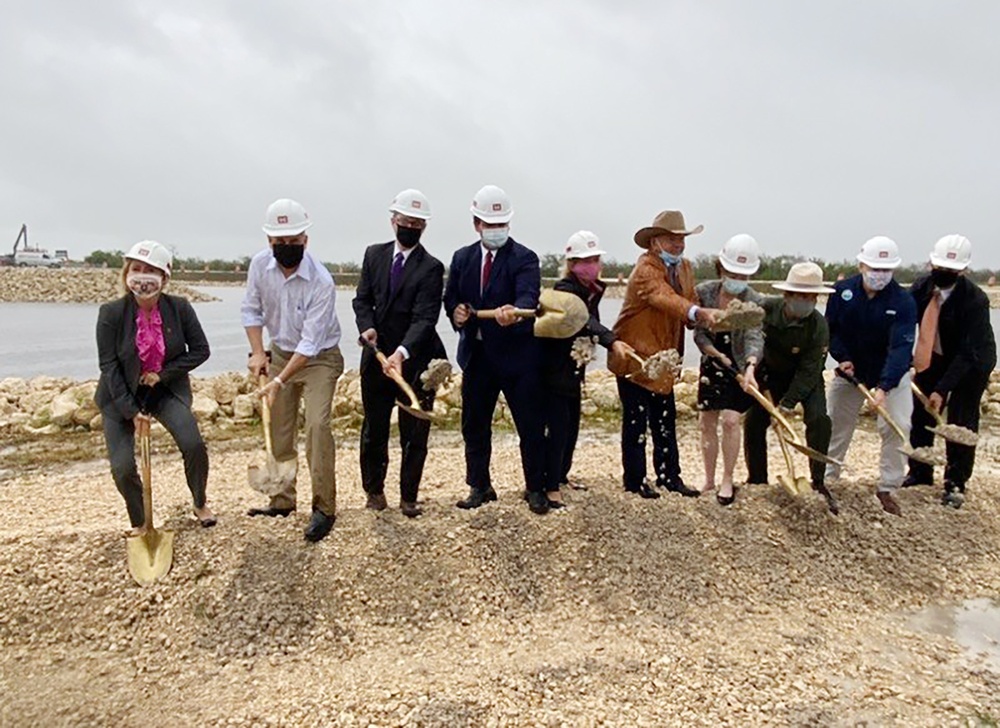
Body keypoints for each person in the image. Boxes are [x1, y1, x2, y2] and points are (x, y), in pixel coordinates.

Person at [241, 198, 344, 542]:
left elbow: (311, 343)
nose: (286, 248)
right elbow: (251, 311)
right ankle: (282, 500)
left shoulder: (322, 281)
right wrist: (258, 353)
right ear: (269, 242)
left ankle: (324, 508)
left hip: (320, 358)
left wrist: (279, 380)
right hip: (281, 353)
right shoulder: (258, 266)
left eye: (293, 242)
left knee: (317, 425)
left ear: (305, 240)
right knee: (280, 429)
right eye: (278, 243)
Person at [443, 185, 549, 515]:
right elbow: (452, 300)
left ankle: (535, 488)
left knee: (530, 425)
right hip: (478, 357)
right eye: (490, 224)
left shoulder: (525, 258)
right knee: (474, 425)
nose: (496, 230)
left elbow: (528, 297)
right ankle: (479, 485)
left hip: (518, 356)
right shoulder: (463, 258)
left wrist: (514, 312)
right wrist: (458, 314)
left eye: (501, 224)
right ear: (477, 224)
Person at [95, 240, 215, 531]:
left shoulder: (180, 308)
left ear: (164, 277)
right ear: (126, 274)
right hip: (118, 396)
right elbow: (108, 365)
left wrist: (163, 373)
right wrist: (131, 410)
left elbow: (200, 350)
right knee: (122, 468)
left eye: (151, 270)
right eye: (136, 269)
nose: (142, 276)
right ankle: (140, 522)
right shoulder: (111, 313)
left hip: (164, 392)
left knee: (194, 444)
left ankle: (199, 501)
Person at [608, 210, 718, 499]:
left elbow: (687, 301)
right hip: (636, 356)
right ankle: (634, 480)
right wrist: (695, 312)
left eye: (681, 239)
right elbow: (664, 298)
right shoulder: (645, 270)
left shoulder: (685, 268)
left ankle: (670, 477)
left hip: (665, 358)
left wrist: (696, 316)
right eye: (671, 239)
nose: (678, 245)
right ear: (654, 242)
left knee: (665, 420)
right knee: (636, 422)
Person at [353, 189, 447, 518]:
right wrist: (367, 328)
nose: (411, 227)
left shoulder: (432, 268)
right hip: (376, 357)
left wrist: (402, 353)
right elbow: (362, 300)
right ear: (393, 220)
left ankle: (409, 496)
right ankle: (374, 491)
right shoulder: (373, 255)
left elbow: (425, 318)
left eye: (418, 223)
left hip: (416, 361)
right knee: (374, 429)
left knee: (414, 431)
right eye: (406, 221)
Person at [539, 231, 633, 505]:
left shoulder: (592, 290)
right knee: (557, 426)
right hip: (555, 368)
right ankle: (550, 484)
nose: (592, 265)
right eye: (585, 260)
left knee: (571, 426)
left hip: (574, 369)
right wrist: (611, 340)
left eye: (595, 259)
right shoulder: (566, 290)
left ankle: (562, 475)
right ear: (572, 264)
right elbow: (582, 320)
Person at [903, 235, 997, 508]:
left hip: (973, 361)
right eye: (939, 267)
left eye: (951, 270)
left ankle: (955, 482)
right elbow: (904, 321)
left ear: (963, 271)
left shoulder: (975, 300)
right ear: (931, 263)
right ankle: (920, 472)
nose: (943, 273)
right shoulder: (921, 287)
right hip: (934, 355)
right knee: (920, 409)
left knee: (960, 421)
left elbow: (968, 351)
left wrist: (942, 389)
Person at [824, 237, 916, 515]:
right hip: (850, 372)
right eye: (875, 268)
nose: (879, 275)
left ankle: (888, 487)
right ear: (862, 264)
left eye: (886, 270)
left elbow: (901, 347)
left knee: (898, 426)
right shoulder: (842, 292)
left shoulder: (903, 301)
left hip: (891, 374)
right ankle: (827, 479)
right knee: (835, 424)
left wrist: (884, 387)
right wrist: (843, 358)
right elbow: (832, 330)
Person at [743, 262, 839, 514]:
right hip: (769, 376)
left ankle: (818, 481)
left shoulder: (818, 325)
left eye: (812, 297)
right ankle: (756, 479)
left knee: (819, 419)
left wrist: (786, 405)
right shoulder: (765, 309)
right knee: (754, 422)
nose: (807, 302)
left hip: (806, 377)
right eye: (802, 296)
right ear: (787, 295)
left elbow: (810, 370)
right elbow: (748, 339)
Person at [693, 234, 765, 506]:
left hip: (738, 362)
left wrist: (750, 367)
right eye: (733, 272)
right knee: (707, 422)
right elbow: (698, 332)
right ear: (721, 268)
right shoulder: (706, 291)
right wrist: (712, 352)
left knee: (732, 421)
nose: (737, 279)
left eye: (743, 275)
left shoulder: (753, 298)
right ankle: (709, 478)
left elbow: (754, 336)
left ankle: (727, 478)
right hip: (713, 360)